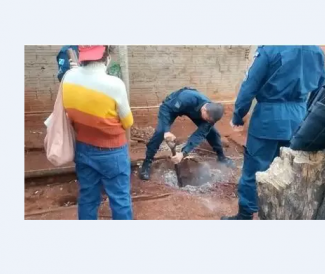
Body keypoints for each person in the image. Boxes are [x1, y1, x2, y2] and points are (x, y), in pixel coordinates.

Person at [222, 46, 325, 220]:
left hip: (268, 119)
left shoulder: (270, 49)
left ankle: (245, 215)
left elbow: (249, 85)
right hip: (299, 119)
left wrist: (238, 116)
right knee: (289, 170)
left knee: (254, 170)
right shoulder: (316, 50)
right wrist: (307, 115)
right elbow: (322, 88)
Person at [62, 45, 134, 220]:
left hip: (84, 148)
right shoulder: (115, 84)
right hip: (113, 152)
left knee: (87, 198)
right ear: (106, 57)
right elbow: (128, 122)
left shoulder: (68, 78)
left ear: (82, 57)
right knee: (120, 199)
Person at [139, 87, 235, 180]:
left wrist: (183, 153)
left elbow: (199, 135)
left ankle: (221, 157)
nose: (208, 121)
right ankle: (146, 163)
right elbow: (165, 109)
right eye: (207, 119)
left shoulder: (211, 116)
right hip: (171, 108)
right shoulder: (186, 98)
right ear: (205, 110)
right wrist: (166, 131)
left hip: (194, 112)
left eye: (210, 121)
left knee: (213, 133)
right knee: (160, 132)